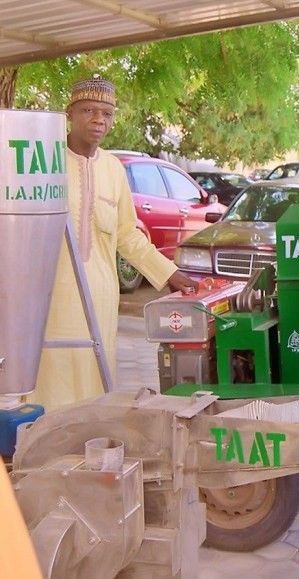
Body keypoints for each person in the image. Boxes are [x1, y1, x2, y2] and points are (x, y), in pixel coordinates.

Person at [30, 77, 196, 409]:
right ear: (70, 114)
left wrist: (168, 274)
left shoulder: (113, 169)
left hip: (101, 294)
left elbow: (127, 234)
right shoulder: (43, 161)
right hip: (52, 294)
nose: (98, 120)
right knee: (52, 377)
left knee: (95, 378)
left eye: (106, 113)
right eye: (88, 110)